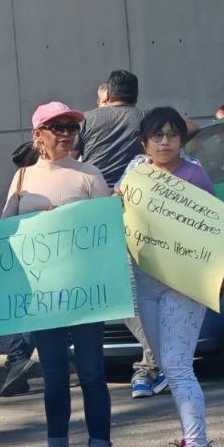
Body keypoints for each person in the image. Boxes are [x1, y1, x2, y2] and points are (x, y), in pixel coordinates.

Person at [118, 107, 224, 447]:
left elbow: (216, 224)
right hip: (145, 283)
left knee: (179, 364)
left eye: (172, 134)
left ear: (182, 140)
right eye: (158, 135)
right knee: (167, 367)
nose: (165, 140)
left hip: (184, 283)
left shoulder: (193, 174)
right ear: (144, 142)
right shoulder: (136, 174)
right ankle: (192, 442)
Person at [3, 101, 117, 447]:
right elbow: (6, 237)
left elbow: (107, 231)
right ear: (38, 135)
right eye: (57, 127)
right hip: (43, 297)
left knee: (92, 373)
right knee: (53, 377)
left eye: (71, 126)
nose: (67, 133)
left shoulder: (89, 174)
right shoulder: (21, 180)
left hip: (86, 294)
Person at [76, 69, 167, 399]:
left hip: (97, 211)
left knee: (116, 296)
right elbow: (190, 129)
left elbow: (72, 161)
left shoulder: (87, 119)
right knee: (132, 291)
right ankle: (155, 361)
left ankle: (155, 361)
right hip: (138, 209)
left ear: (107, 93)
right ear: (134, 94)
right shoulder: (144, 119)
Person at [0, 141, 39, 398]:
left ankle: (16, 363)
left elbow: (8, 219)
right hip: (27, 256)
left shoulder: (27, 180)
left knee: (26, 308)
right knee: (24, 308)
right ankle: (15, 364)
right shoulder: (25, 179)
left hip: (32, 257)